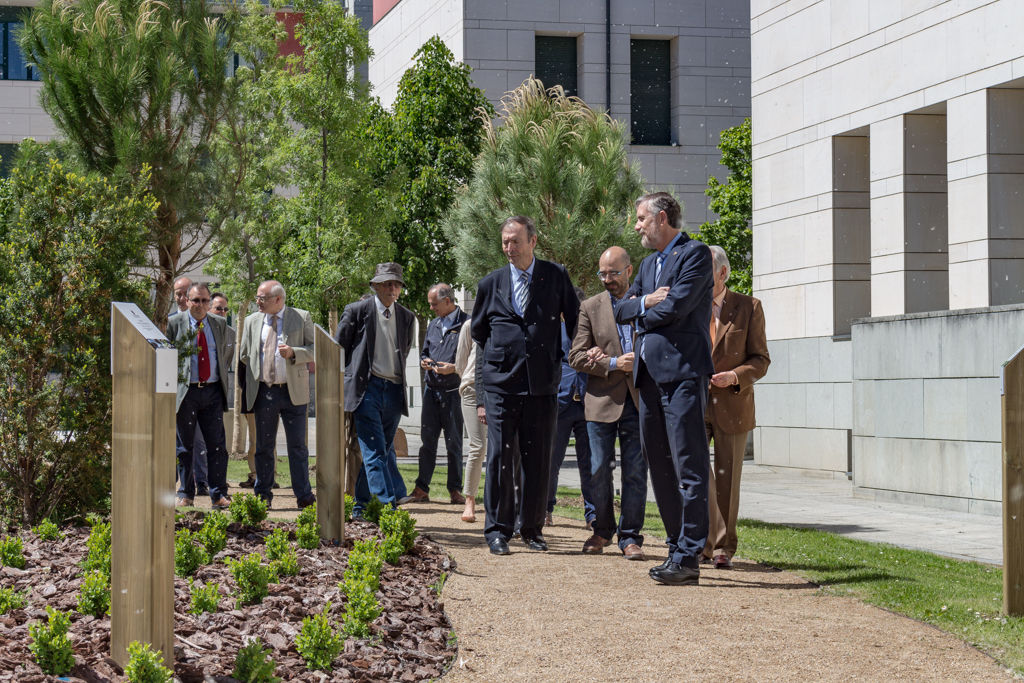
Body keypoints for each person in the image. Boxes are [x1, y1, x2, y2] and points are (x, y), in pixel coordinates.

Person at [612, 192, 714, 586]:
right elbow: (620, 308)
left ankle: (689, 555)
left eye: (641, 218)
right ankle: (676, 547)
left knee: (688, 467)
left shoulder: (695, 254)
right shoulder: (650, 263)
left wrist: (644, 309)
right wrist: (643, 304)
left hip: (683, 375)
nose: (636, 225)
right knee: (659, 465)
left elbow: (677, 307)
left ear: (662, 217)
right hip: (648, 378)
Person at [471, 216, 580, 556]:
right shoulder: (491, 284)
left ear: (533, 241)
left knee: (538, 460)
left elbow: (576, 322)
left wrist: (564, 358)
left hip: (542, 386)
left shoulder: (556, 276)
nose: (509, 248)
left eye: (515, 241)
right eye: (505, 241)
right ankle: (498, 531)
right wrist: (483, 394)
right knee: (500, 459)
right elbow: (480, 336)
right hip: (502, 387)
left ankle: (531, 528)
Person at [570, 246, 648, 559]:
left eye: (614, 273)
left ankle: (630, 537)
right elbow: (575, 355)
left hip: (639, 400)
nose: (607, 279)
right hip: (600, 401)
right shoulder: (590, 307)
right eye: (603, 273)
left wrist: (639, 362)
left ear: (629, 270)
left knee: (635, 472)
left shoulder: (647, 302)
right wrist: (614, 363)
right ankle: (601, 531)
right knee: (599, 469)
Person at [702, 246, 770, 569]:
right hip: (695, 404)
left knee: (727, 480)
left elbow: (761, 360)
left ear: (722, 273)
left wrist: (734, 376)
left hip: (734, 406)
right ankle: (700, 542)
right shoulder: (689, 308)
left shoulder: (749, 307)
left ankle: (722, 548)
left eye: (704, 272)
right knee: (696, 473)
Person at [335, 263, 416, 517]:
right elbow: (339, 349)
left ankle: (359, 507)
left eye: (396, 284)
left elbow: (405, 350)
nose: (392, 288)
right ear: (375, 286)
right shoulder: (356, 311)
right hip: (365, 388)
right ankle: (387, 506)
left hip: (393, 390)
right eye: (386, 283)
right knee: (374, 449)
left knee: (379, 450)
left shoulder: (407, 317)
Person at [238, 280, 316, 509]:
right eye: (257, 298)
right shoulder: (252, 321)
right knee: (264, 446)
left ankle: (304, 496)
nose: (258, 302)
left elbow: (315, 349)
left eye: (262, 298)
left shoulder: (301, 317)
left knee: (298, 447)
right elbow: (244, 354)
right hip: (265, 392)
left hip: (294, 393)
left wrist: (294, 352)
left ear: (278, 299)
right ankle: (263, 495)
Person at [165, 283, 232, 509]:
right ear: (187, 300)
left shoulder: (219, 324)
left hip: (212, 390)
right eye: (196, 300)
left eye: (204, 301)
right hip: (187, 391)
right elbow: (168, 355)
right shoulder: (175, 323)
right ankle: (185, 493)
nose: (200, 305)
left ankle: (218, 494)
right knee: (185, 446)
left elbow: (223, 355)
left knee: (217, 446)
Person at [403, 283, 469, 505]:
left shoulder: (468, 325)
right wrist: (424, 361)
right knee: (427, 442)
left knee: (454, 443)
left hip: (453, 394)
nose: (431, 308)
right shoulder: (433, 325)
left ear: (448, 301)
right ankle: (422, 488)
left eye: (434, 304)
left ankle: (455, 491)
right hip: (431, 392)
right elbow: (424, 352)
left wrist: (455, 368)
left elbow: (475, 361)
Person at [546, 287, 594, 529]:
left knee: (590, 463)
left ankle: (592, 514)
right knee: (552, 461)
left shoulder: (594, 331)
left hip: (588, 404)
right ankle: (546, 508)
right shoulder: (555, 331)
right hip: (560, 403)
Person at [454, 318, 485, 523]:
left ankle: (497, 503)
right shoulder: (470, 325)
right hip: (473, 387)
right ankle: (470, 500)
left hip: (500, 388)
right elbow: (461, 363)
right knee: (479, 446)